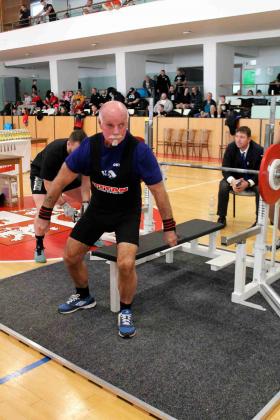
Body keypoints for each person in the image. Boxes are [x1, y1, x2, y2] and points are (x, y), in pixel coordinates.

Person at [34, 101, 177, 338]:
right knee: (70, 255)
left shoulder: (139, 151)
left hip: (126, 213)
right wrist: (44, 214)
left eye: (122, 125)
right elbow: (60, 179)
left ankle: (126, 310)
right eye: (110, 126)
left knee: (126, 263)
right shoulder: (89, 147)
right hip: (99, 210)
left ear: (128, 123)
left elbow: (159, 191)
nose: (117, 131)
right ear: (100, 124)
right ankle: (83, 295)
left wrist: (169, 227)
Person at [31, 130, 90, 263]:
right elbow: (49, 186)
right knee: (42, 211)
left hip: (65, 176)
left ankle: (89, 234)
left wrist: (86, 203)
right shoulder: (54, 151)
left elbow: (86, 181)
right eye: (75, 152)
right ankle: (39, 246)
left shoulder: (85, 154)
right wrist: (64, 204)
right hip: (42, 176)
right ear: (69, 144)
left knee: (90, 205)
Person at [217, 126, 263, 227]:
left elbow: (260, 172)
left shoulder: (258, 150)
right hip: (235, 179)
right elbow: (225, 168)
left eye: (242, 137)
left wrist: (248, 183)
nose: (238, 139)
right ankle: (221, 217)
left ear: (249, 139)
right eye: (237, 136)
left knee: (260, 189)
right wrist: (233, 181)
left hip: (252, 180)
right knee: (223, 185)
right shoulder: (231, 147)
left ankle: (258, 220)